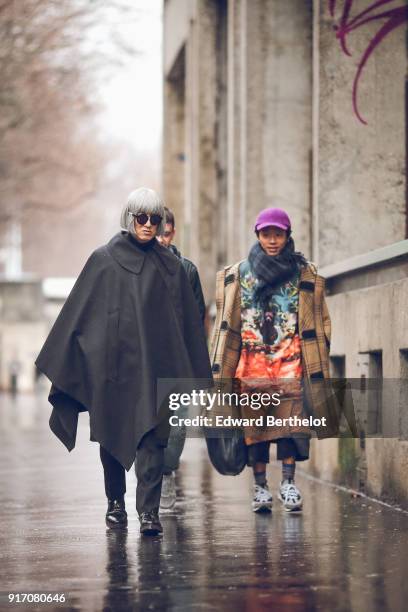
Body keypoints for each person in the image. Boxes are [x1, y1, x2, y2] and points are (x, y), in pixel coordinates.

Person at [35, 188, 212, 536]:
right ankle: (115, 502)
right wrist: (75, 357)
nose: (148, 225)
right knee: (112, 438)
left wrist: (190, 370)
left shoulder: (171, 267)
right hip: (112, 370)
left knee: (153, 441)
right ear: (129, 218)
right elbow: (80, 315)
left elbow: (185, 322)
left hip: (155, 370)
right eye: (141, 218)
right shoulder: (103, 260)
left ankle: (148, 512)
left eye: (154, 219)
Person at [209, 207, 336, 513]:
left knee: (291, 428)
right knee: (256, 431)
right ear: (258, 235)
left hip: (290, 363)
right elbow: (226, 323)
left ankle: (289, 484)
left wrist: (317, 355)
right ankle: (260, 487)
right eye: (267, 234)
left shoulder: (306, 274)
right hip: (251, 366)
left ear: (287, 236)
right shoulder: (237, 275)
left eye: (278, 234)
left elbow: (321, 320)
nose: (272, 240)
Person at [156, 207, 206, 509]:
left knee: (177, 426)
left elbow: (198, 316)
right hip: (147, 362)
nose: (161, 237)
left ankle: (167, 472)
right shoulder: (136, 268)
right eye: (156, 230)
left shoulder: (186, 270)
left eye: (166, 231)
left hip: (180, 362)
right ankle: (154, 478)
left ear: (173, 232)